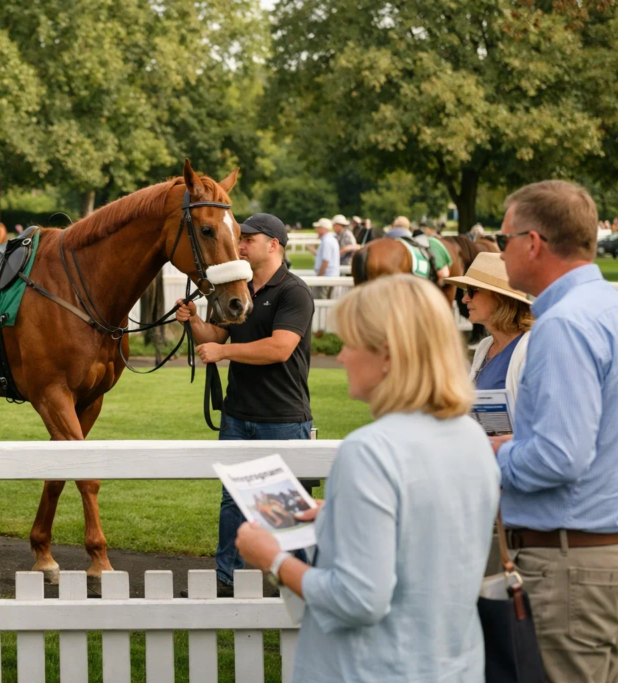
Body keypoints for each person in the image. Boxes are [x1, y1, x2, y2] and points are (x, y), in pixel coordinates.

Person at [236, 274, 499, 682]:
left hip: (373, 667)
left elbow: (357, 599)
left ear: (388, 354)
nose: (340, 357)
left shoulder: (370, 451)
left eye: (350, 343)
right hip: (452, 664)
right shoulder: (470, 436)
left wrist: (271, 557)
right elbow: (427, 535)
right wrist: (339, 515)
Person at [491, 180, 618, 682]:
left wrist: (494, 454)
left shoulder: (564, 324)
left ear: (534, 243)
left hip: (568, 564)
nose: (500, 251)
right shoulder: (607, 307)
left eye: (504, 240)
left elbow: (559, 458)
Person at [175, 213, 314, 597]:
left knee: (284, 509)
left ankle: (299, 581)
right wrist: (192, 322)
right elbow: (214, 334)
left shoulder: (293, 292)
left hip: (282, 416)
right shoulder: (238, 288)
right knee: (232, 503)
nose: (240, 245)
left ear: (274, 245)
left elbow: (280, 348)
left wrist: (223, 351)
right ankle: (227, 579)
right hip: (238, 414)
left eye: (249, 239)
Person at [444, 252, 533, 404]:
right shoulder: (485, 345)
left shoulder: (530, 350)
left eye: (472, 290)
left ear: (500, 298)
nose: (465, 299)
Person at [311, 217, 340, 298]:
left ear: (323, 229)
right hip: (331, 276)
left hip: (326, 277)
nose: (316, 230)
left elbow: (326, 261)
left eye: (318, 228)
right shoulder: (332, 240)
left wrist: (319, 277)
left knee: (320, 301)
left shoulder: (327, 241)